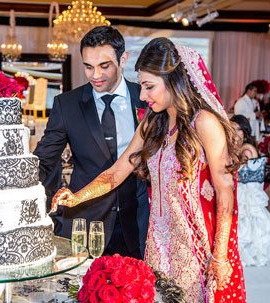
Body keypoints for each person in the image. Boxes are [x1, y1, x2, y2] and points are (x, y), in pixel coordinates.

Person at [52, 37, 246, 302]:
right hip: (157, 240)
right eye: (142, 86)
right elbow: (117, 172)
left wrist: (220, 254)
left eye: (149, 87)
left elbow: (225, 190)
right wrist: (76, 197)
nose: (142, 96)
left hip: (195, 244)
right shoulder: (153, 124)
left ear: (174, 82)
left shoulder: (205, 124)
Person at [34, 26, 149, 259]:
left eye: (104, 66)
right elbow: (44, 161)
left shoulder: (147, 99)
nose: (95, 75)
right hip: (86, 221)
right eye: (88, 66)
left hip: (138, 220)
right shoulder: (67, 105)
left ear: (123, 59)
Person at [230, 115, 270, 267]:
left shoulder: (247, 149)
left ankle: (249, 253)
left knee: (247, 222)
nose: (234, 133)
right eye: (231, 129)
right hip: (244, 189)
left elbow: (237, 170)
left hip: (247, 192)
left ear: (244, 131)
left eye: (237, 130)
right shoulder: (241, 147)